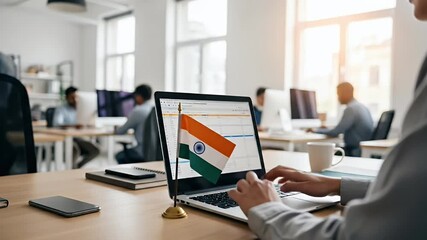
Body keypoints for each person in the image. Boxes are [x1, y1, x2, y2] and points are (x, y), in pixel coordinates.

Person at [228, 1, 427, 238]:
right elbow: (415, 197)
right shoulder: (359, 106)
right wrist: (337, 185)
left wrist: (267, 209)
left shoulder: (352, 109)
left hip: (352, 148)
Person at [311, 82, 373, 157]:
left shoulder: (351, 109)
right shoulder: (363, 107)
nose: (338, 98)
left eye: (338, 94)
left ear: (345, 93)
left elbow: (336, 132)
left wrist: (316, 131)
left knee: (322, 154)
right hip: (361, 149)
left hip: (353, 151)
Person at [53, 86, 100, 168]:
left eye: (76, 97)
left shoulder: (81, 109)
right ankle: (71, 170)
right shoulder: (61, 109)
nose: (75, 100)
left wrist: (88, 123)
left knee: (95, 150)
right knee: (74, 150)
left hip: (77, 138)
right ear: (66, 98)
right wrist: (74, 126)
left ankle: (77, 167)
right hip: (64, 138)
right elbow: (57, 123)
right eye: (72, 97)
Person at [115, 84, 153, 164]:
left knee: (119, 156)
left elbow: (120, 131)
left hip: (141, 152)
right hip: (154, 152)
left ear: (138, 96)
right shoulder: (154, 108)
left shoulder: (138, 111)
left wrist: (116, 128)